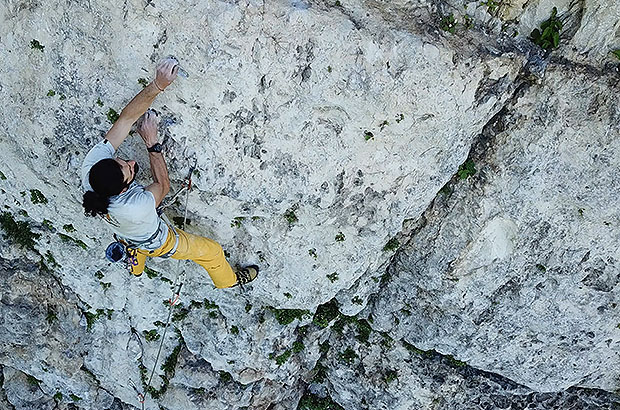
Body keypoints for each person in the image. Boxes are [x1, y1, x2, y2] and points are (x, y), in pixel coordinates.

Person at [81, 58, 258, 288]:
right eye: (130, 169)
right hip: (157, 240)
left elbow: (126, 119)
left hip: (125, 229)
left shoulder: (91, 168)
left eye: (122, 160)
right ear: (124, 190)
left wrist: (158, 85)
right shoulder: (135, 206)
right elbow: (163, 186)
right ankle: (229, 281)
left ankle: (135, 264)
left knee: (132, 236)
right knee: (212, 252)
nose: (132, 161)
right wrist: (152, 144)